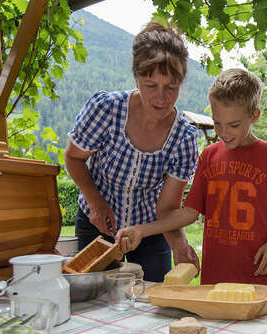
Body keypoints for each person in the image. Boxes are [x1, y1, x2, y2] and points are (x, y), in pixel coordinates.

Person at [115, 68, 267, 304]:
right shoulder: (209, 156)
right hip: (215, 280)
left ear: (254, 116)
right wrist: (141, 230)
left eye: (233, 125)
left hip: (262, 278)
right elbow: (189, 213)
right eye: (217, 123)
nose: (223, 132)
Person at [64, 22, 199, 282]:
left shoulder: (184, 137)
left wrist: (179, 244)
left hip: (148, 231)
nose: (161, 98)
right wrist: (95, 201)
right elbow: (73, 157)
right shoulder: (106, 110)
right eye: (151, 86)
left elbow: (168, 208)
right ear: (136, 77)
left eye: (170, 88)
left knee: (154, 300)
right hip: (96, 224)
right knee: (93, 298)